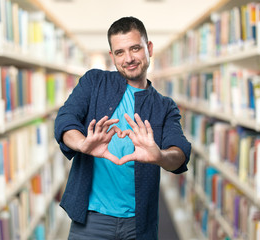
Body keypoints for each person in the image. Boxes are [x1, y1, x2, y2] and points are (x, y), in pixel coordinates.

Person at [54, 16, 191, 240]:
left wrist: (160, 156)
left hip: (139, 224)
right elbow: (65, 119)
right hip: (90, 218)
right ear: (112, 56)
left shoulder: (165, 106)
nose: (128, 59)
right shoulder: (93, 82)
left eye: (135, 48)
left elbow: (180, 152)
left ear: (149, 48)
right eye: (120, 52)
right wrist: (82, 143)